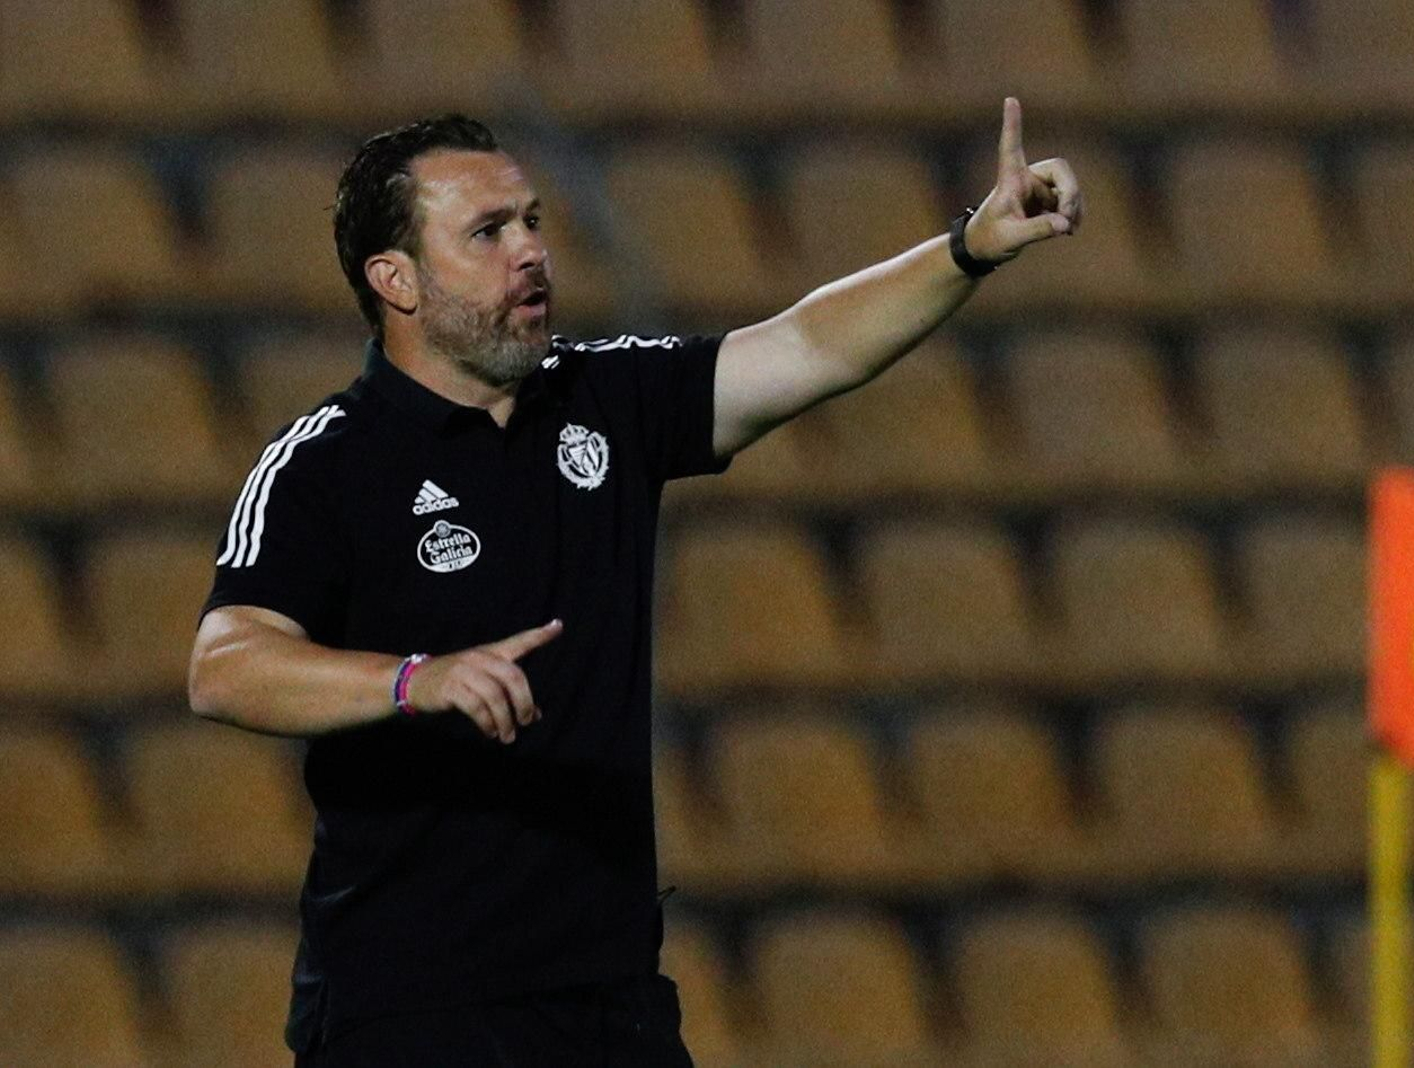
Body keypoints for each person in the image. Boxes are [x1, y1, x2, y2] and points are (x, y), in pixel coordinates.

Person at [188, 100, 1081, 1067]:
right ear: (395, 280)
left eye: (531, 220)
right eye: (487, 233)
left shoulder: (604, 396)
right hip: (413, 1009)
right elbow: (226, 663)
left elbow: (809, 346)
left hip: (611, 1001)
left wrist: (971, 247)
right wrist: (416, 681)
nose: (529, 250)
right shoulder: (326, 464)